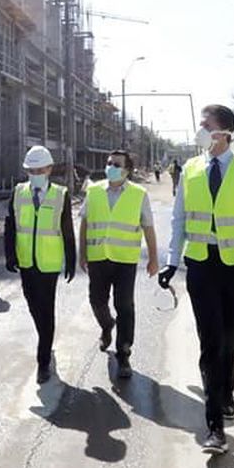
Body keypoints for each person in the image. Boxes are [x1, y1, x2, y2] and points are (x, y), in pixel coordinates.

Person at [159, 105, 234, 455]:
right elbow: (178, 220)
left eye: (206, 126)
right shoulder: (191, 169)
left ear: (225, 132)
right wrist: (172, 261)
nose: (201, 131)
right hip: (201, 268)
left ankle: (227, 393)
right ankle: (214, 427)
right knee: (210, 341)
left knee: (232, 335)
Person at [78, 149, 158, 379]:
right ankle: (106, 326)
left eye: (116, 164)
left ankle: (124, 354)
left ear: (127, 170)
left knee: (125, 305)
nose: (110, 166)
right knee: (96, 300)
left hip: (125, 260)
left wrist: (153, 258)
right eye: (109, 162)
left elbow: (148, 227)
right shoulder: (93, 190)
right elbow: (84, 223)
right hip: (98, 257)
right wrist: (82, 253)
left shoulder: (139, 194)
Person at [4, 145, 76, 383]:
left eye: (39, 169)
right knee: (33, 305)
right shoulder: (18, 192)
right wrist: (10, 255)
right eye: (30, 169)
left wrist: (71, 259)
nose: (35, 173)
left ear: (49, 169)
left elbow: (67, 230)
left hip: (49, 263)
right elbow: (11, 225)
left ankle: (43, 360)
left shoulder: (60, 194)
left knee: (47, 308)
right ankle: (45, 337)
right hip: (26, 261)